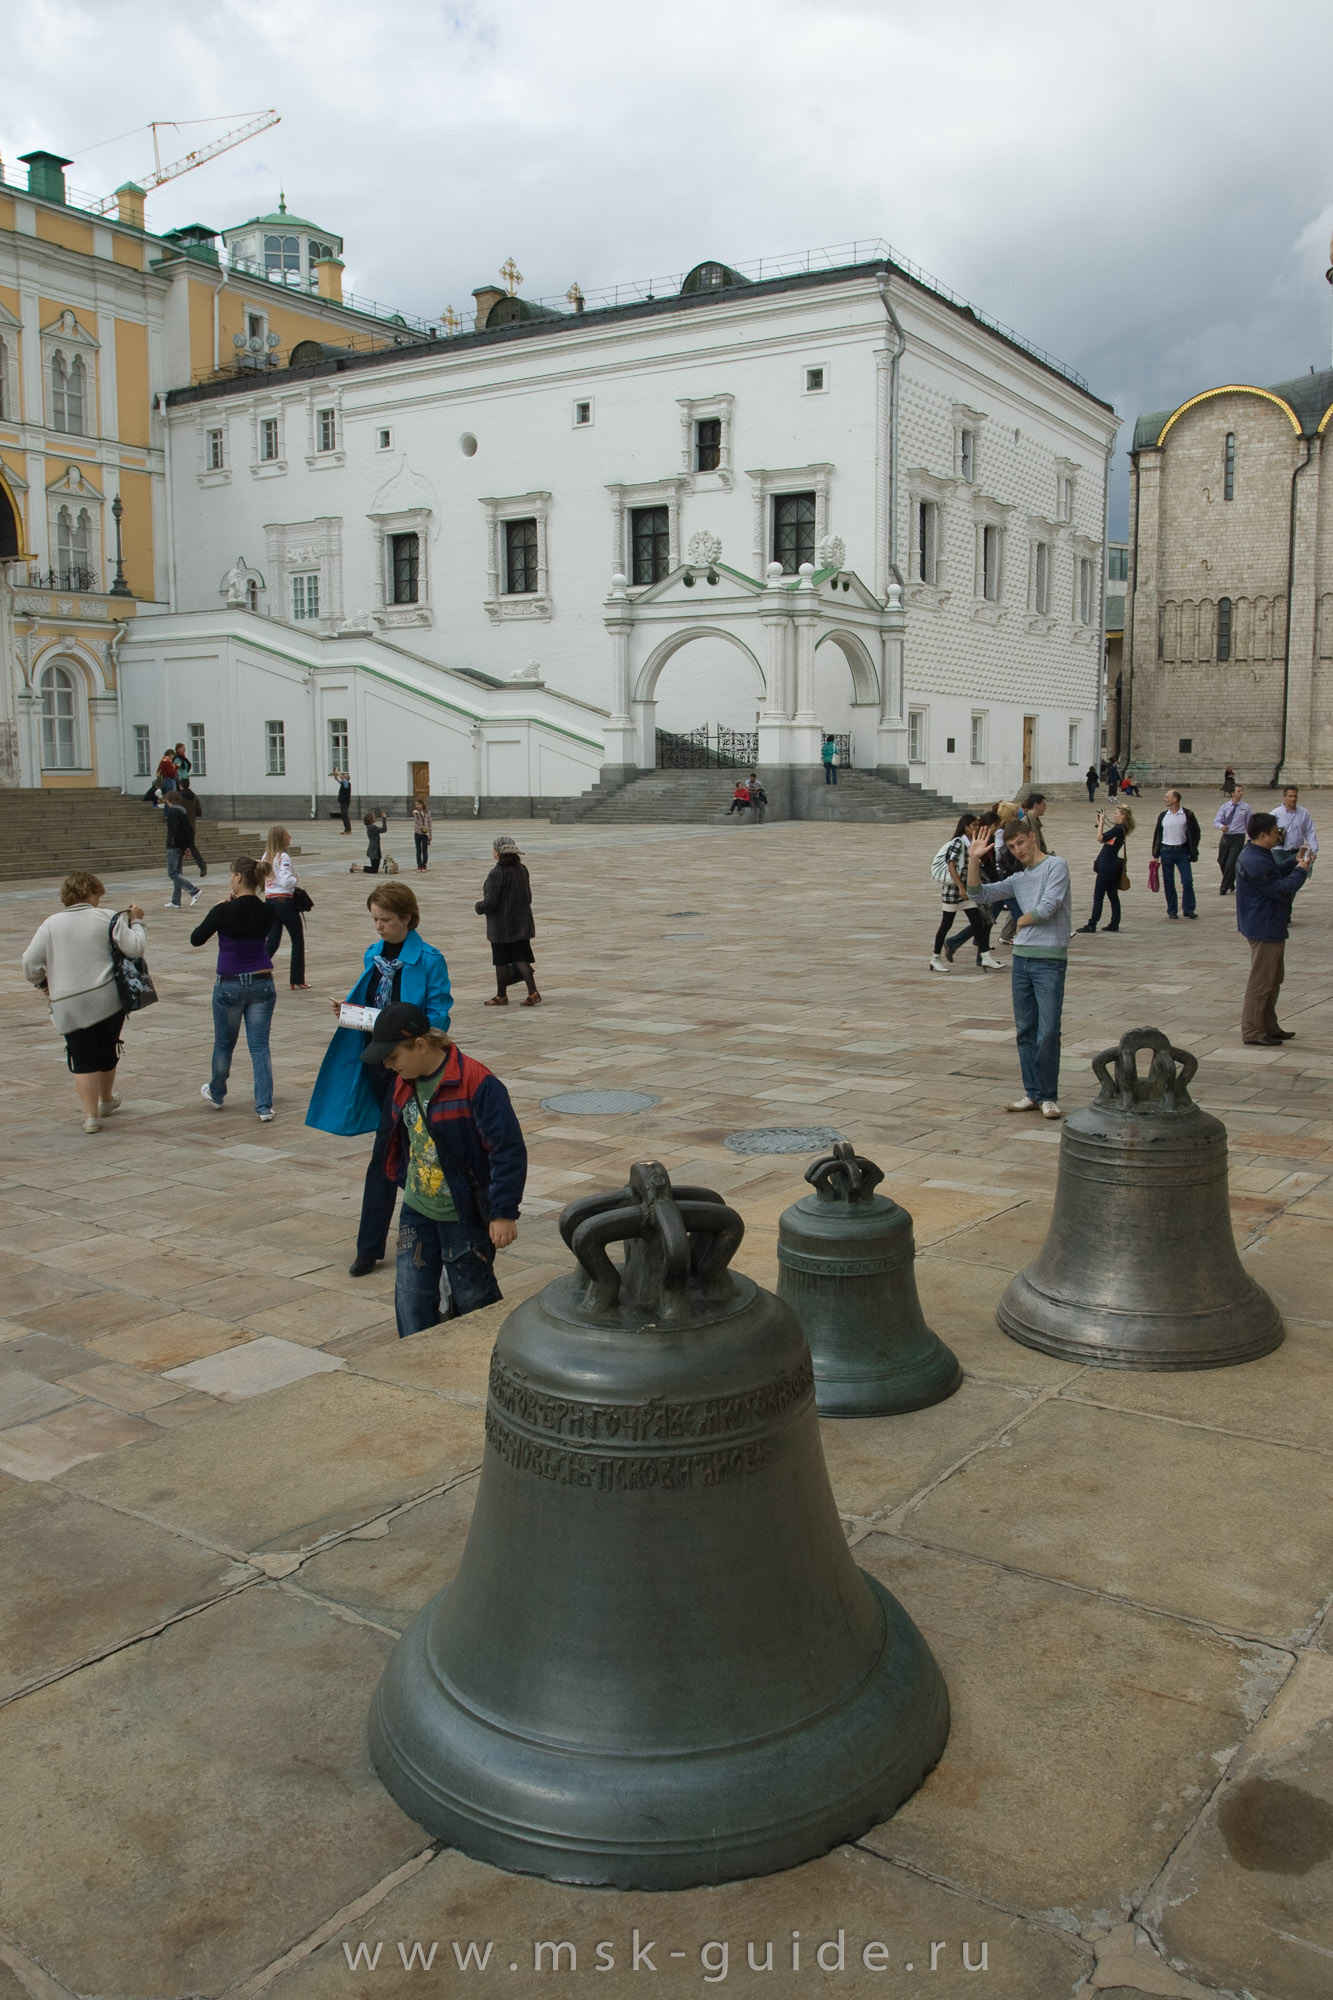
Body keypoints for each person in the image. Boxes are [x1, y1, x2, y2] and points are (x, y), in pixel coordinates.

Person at [306, 881, 452, 1277]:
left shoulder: (429, 959)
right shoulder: (373, 955)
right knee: (396, 1150)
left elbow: (440, 1013)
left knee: (387, 1153)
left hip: (410, 1067)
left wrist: (414, 1033)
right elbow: (371, 1003)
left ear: (407, 918)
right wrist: (350, 1010)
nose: (379, 928)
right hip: (374, 1063)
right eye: (374, 919)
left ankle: (371, 1247)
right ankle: (443, 1223)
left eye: (385, 920)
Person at [362, 1003, 526, 1338]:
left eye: (393, 1057)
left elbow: (507, 1151)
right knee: (411, 1299)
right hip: (417, 1208)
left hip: (462, 1215)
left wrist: (503, 1213)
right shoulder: (403, 1083)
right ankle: (416, 1369)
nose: (389, 1066)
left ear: (420, 1046)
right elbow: (396, 1140)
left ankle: (490, 1358)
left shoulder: (477, 1083)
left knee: (474, 1300)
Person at [23, 872, 146, 1133]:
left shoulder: (50, 924)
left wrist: (44, 984)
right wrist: (137, 922)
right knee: (107, 1048)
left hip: (68, 1002)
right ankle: (106, 1099)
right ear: (91, 893)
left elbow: (29, 963)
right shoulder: (107, 917)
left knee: (81, 1057)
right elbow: (135, 948)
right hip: (106, 999)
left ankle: (91, 1117)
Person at [965, 818, 1073, 1118]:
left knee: (1048, 1030)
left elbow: (1048, 907)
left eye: (1021, 843)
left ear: (1032, 836)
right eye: (1011, 847)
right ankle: (1032, 1093)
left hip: (1049, 959)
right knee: (1026, 1029)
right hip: (1023, 960)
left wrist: (1019, 925)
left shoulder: (1056, 866)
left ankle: (1048, 1095)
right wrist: (974, 860)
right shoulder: (1018, 879)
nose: (1018, 850)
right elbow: (977, 895)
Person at [191, 856, 277, 1120]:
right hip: (262, 980)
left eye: (230, 875)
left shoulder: (223, 911)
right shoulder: (268, 910)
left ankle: (217, 1092)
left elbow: (196, 939)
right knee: (260, 1046)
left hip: (230, 983)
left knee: (224, 1044)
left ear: (238, 877)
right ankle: (264, 1106)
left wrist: (218, 909)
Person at [1235, 813, 1313, 1045]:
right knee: (1261, 981)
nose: (1279, 834)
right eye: (1275, 831)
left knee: (1273, 978)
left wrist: (1293, 862)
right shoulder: (1255, 860)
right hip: (1264, 925)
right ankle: (1253, 1031)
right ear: (1263, 835)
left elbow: (1274, 874)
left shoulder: (1256, 853)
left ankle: (1268, 1025)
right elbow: (1280, 890)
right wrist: (1301, 870)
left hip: (1265, 923)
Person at [930, 814, 1002, 971]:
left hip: (966, 892)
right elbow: (951, 865)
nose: (976, 827)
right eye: (974, 825)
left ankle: (985, 956)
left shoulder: (972, 843)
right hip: (953, 892)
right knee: (946, 924)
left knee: (978, 922)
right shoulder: (959, 842)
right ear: (966, 827)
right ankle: (935, 957)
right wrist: (961, 887)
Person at [476, 835, 540, 1005]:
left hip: (501, 926)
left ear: (497, 853)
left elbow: (491, 903)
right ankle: (533, 992)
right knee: (521, 958)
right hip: (521, 923)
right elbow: (528, 897)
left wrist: (478, 907)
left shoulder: (497, 873)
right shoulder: (522, 869)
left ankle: (501, 995)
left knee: (501, 960)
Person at [263, 824, 307, 990]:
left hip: (270, 900)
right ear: (282, 838)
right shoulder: (283, 857)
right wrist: (295, 879)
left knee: (273, 940)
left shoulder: (267, 856)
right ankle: (297, 978)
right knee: (297, 939)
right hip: (284, 901)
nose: (290, 837)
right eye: (288, 835)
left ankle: (255, 969)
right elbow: (286, 880)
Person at [1078, 804, 1134, 932]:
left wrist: (1102, 823)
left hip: (1107, 866)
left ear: (1123, 816)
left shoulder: (1119, 829)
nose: (1115, 815)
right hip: (1112, 865)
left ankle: (1092, 923)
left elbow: (1100, 838)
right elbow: (1106, 840)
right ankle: (1114, 923)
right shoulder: (1121, 829)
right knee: (1112, 895)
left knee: (1099, 896)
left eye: (1117, 813)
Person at [1150, 789, 1201, 919]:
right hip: (1166, 851)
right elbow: (1157, 835)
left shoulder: (1187, 814)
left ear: (1175, 799)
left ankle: (1188, 908)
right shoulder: (1163, 815)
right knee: (1169, 882)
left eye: (1167, 797)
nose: (1165, 799)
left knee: (1187, 880)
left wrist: (1193, 848)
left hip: (1182, 851)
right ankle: (1172, 909)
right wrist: (1155, 854)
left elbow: (1195, 832)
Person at [162, 790, 201, 909]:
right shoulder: (182, 812)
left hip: (174, 846)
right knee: (177, 873)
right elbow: (186, 830)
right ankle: (176, 900)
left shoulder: (173, 812)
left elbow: (176, 831)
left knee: (172, 873)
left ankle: (193, 891)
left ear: (169, 801)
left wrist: (180, 845)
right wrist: (186, 846)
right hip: (180, 845)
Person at [1214, 786, 1250, 896]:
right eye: (1238, 791)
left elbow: (1249, 823)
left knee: (1231, 862)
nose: (1241, 793)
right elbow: (1217, 820)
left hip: (1238, 837)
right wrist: (1221, 826)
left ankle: (1223, 887)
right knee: (1222, 860)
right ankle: (1230, 881)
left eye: (1241, 791)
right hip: (1226, 836)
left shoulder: (1246, 808)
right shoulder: (1225, 807)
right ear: (1233, 793)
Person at [1273, 786, 1318, 863]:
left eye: (1295, 796)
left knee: (1299, 873)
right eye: (1290, 796)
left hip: (1298, 851)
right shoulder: (1275, 814)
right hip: (1280, 852)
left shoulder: (1304, 813)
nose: (1293, 799)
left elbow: (1310, 832)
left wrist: (1313, 850)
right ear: (1284, 796)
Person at [176, 777, 208, 877]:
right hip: (191, 826)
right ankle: (202, 865)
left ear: (180, 785)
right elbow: (199, 812)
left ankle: (177, 869)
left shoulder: (179, 798)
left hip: (181, 826)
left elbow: (177, 811)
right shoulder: (194, 797)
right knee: (192, 847)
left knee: (180, 847)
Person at [350, 809, 389, 874]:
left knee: (374, 868)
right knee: (374, 870)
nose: (375, 818)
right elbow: (384, 829)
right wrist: (384, 818)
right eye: (373, 817)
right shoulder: (372, 827)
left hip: (374, 849)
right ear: (370, 819)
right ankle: (356, 867)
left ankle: (357, 867)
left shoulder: (370, 827)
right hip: (374, 850)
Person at [412, 798, 433, 872]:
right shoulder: (416, 812)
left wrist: (430, 835)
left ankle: (424, 865)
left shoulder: (427, 813)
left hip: (425, 833)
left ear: (422, 804)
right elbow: (415, 813)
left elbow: (430, 824)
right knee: (418, 850)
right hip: (417, 833)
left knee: (425, 850)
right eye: (416, 805)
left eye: (418, 804)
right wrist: (417, 812)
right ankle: (419, 865)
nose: (417, 806)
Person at [335, 769, 352, 834]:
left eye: (345, 775)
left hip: (345, 801)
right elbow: (336, 779)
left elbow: (341, 777)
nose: (343, 776)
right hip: (343, 801)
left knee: (344, 815)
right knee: (343, 815)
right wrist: (334, 773)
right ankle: (347, 829)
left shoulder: (346, 782)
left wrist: (337, 772)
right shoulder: (343, 782)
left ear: (347, 778)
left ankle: (348, 830)